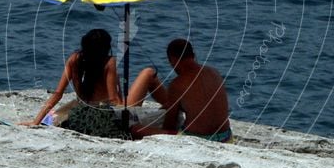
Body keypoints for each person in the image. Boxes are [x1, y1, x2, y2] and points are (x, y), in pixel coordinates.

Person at [21, 28, 165, 128]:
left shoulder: (74, 59)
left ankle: (170, 106)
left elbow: (58, 94)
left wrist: (36, 121)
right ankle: (172, 107)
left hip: (81, 110)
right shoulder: (109, 62)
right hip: (105, 114)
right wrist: (126, 112)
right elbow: (114, 100)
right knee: (148, 73)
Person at [130, 38, 233, 142]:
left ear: (172, 60)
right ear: (193, 55)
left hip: (199, 139)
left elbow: (169, 127)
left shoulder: (177, 84)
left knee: (136, 130)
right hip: (226, 137)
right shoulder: (214, 72)